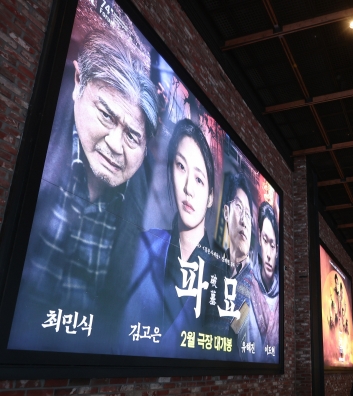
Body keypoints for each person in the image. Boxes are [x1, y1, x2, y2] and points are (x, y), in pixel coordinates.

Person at [8, 28, 159, 352]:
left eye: (133, 136)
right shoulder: (35, 125)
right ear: (79, 83)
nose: (116, 146)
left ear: (146, 147)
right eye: (106, 115)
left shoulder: (146, 195)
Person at [115, 119, 225, 358]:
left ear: (210, 197)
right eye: (181, 166)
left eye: (199, 179)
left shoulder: (220, 271)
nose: (188, 188)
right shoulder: (143, 245)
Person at [221, 173, 264, 361]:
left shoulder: (256, 285)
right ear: (225, 212)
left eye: (248, 214)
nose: (244, 221)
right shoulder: (212, 269)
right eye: (239, 208)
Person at [250, 201, 280, 362]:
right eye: (265, 240)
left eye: (273, 245)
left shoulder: (282, 300)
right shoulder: (246, 285)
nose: (268, 253)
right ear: (259, 238)